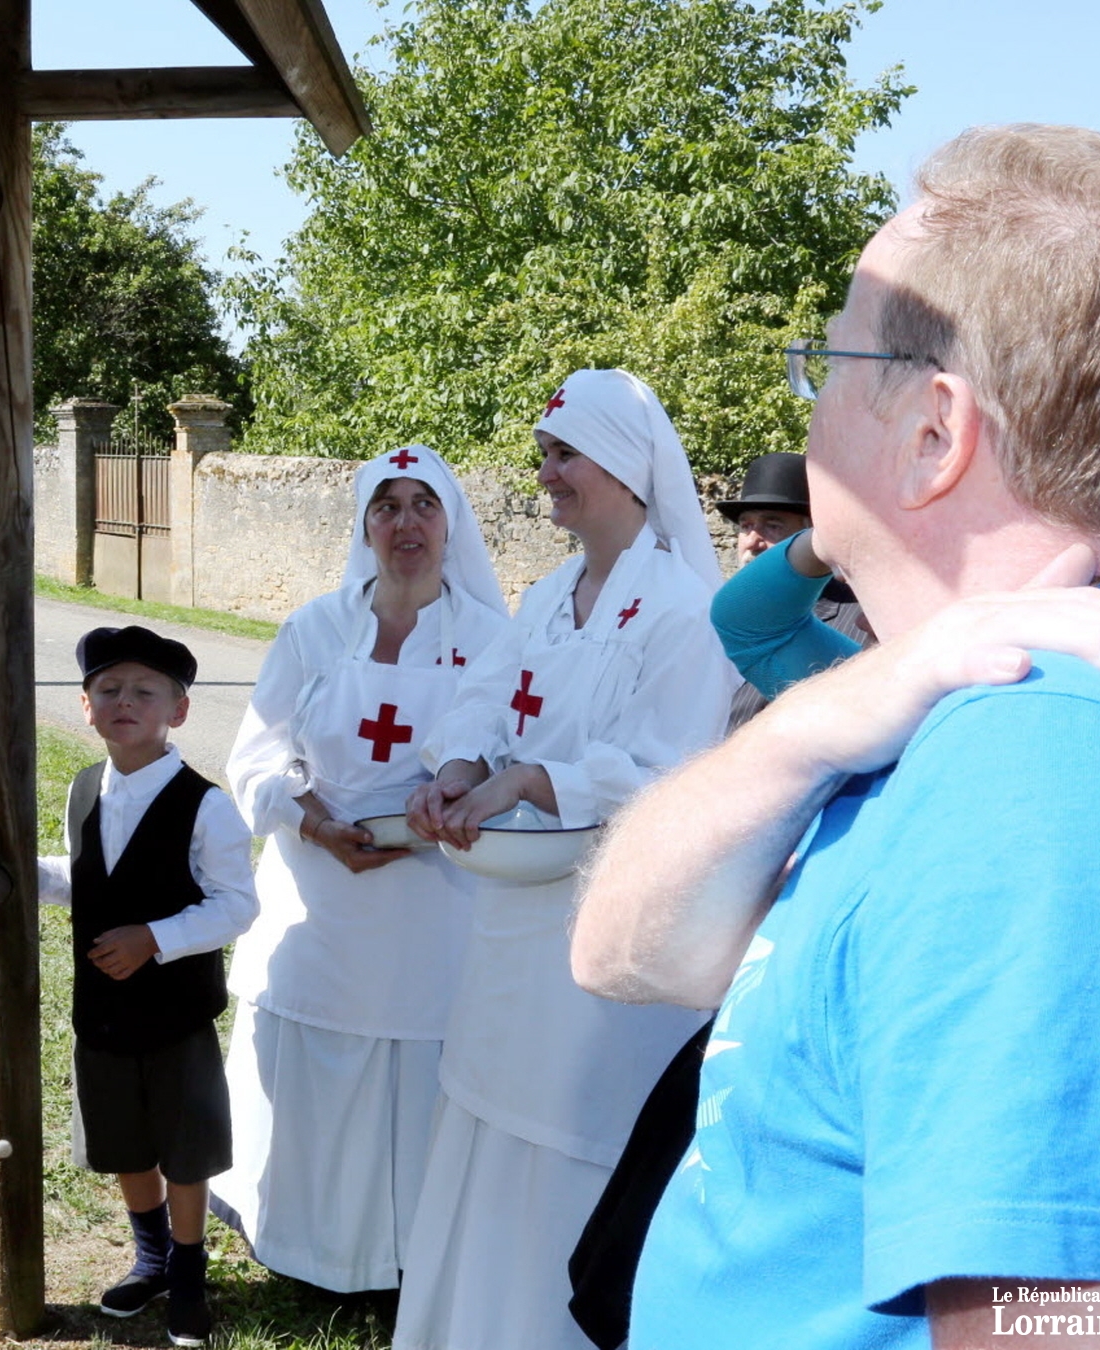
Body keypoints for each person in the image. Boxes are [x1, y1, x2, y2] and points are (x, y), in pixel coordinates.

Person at [571, 124, 1100, 1348]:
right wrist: (819, 719)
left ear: (936, 432)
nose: (808, 391)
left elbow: (1063, 1322)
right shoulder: (938, 694)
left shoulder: (1039, 765)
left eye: (826, 357)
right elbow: (626, 956)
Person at [397, 370, 738, 1350]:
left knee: (564, 1129)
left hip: (603, 924)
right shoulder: (549, 595)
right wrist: (457, 768)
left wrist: (524, 783)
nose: (544, 474)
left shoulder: (680, 608)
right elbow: (482, 700)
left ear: (626, 469)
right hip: (510, 919)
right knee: (484, 1108)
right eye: (543, 454)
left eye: (562, 455)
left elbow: (665, 764)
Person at [211, 445, 511, 1293]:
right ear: (364, 523)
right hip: (320, 890)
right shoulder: (314, 627)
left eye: (424, 505)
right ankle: (305, 1249)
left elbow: (513, 751)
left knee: (423, 1072)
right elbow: (254, 759)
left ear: (451, 524)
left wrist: (456, 795)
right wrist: (315, 819)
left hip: (438, 902)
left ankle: (413, 1261)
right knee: (317, 1067)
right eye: (387, 506)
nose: (405, 523)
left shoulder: (493, 639)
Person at [37, 625, 259, 1348]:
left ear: (179, 711)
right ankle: (152, 1256)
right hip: (101, 1015)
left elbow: (235, 904)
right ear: (85, 707)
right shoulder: (82, 789)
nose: (124, 702)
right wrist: (24, 872)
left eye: (144, 691)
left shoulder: (206, 805)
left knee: (183, 1146)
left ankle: (189, 1273)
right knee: (127, 1144)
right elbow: (90, 877)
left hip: (174, 1014)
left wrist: (154, 939)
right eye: (108, 690)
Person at [714, 451, 862, 729]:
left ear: (812, 534)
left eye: (772, 526)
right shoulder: (709, 617)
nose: (753, 542)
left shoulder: (858, 620)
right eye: (746, 526)